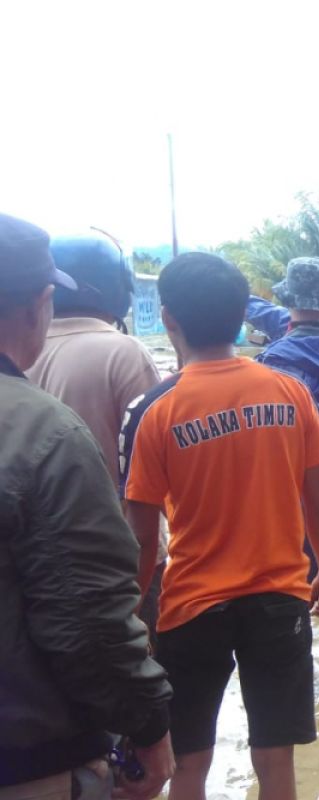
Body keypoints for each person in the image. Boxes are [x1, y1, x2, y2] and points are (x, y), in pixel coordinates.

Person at [121, 252, 319, 800]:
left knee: (187, 763)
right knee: (275, 761)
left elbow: (143, 534)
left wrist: (132, 615)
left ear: (169, 319)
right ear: (242, 313)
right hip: (280, 597)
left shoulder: (157, 409)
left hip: (191, 604)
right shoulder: (290, 392)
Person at [0, 214, 174, 800]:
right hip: (32, 745)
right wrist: (149, 728)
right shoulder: (51, 421)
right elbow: (85, 617)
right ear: (37, 303)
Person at [26, 232, 169, 647]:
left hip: (37, 558)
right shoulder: (123, 352)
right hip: (119, 559)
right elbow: (148, 471)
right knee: (143, 681)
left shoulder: (16, 349)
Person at [246, 257, 319, 676]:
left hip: (303, 463)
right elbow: (290, 321)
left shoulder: (278, 359)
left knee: (293, 574)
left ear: (290, 300)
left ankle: (295, 681)